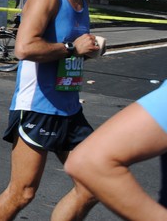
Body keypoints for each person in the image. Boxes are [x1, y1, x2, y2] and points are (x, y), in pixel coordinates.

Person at [0, 0, 107, 221]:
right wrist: (70, 47)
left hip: (69, 107)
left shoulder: (81, 1)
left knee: (94, 184)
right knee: (23, 192)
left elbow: (69, 51)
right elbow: (24, 48)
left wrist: (85, 50)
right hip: (38, 107)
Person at [64, 81, 167, 220]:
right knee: (25, 193)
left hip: (69, 107)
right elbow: (89, 161)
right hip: (41, 107)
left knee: (87, 191)